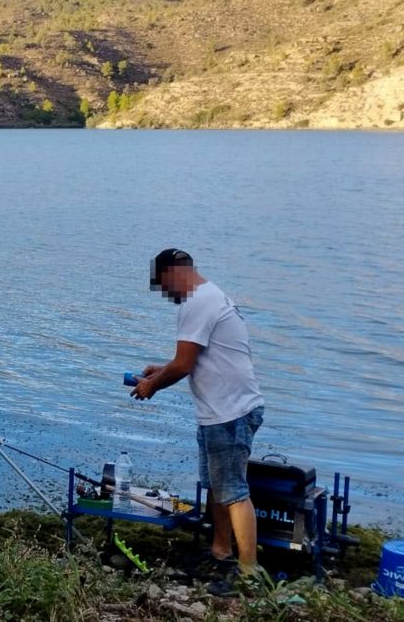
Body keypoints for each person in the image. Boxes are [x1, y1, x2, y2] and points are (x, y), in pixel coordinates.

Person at [131, 248, 265, 596]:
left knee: (233, 491)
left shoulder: (197, 301)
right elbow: (192, 358)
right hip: (218, 413)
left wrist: (152, 386)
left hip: (231, 412)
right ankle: (221, 553)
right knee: (217, 487)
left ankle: (249, 573)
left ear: (175, 272)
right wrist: (159, 370)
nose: (167, 295)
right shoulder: (209, 296)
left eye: (164, 285)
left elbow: (184, 365)